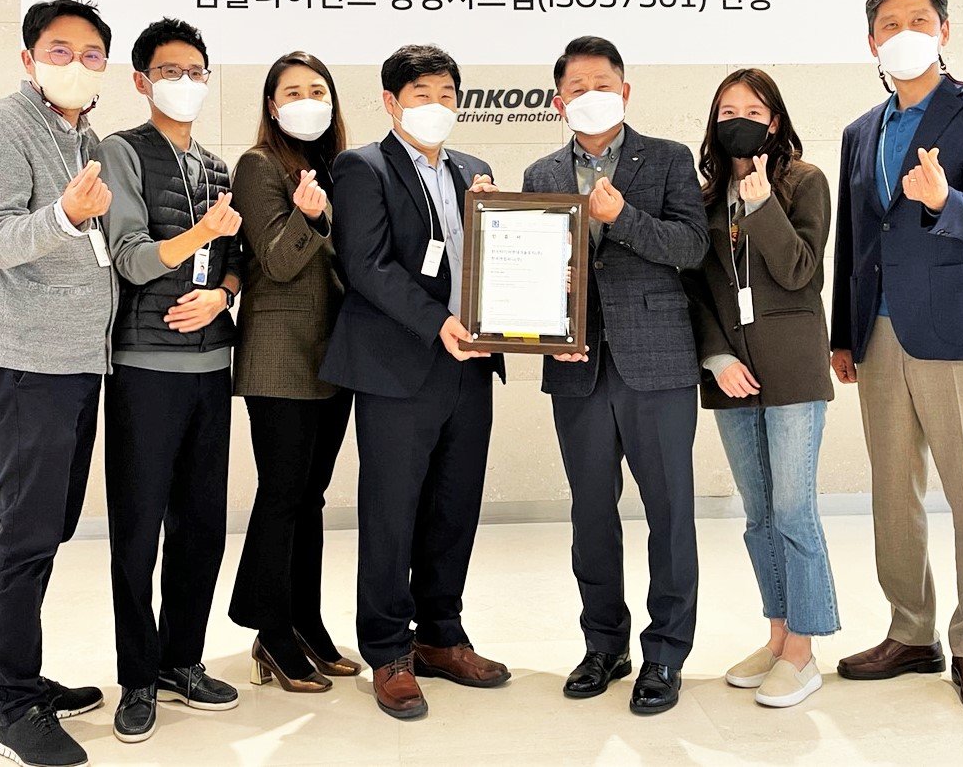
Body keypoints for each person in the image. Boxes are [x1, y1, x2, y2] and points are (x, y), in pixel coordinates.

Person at [830, 0, 963, 719]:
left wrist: (944, 200)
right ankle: (911, 632)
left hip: (959, 332)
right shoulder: (861, 131)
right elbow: (855, 240)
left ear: (944, 31)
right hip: (879, 335)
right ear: (871, 43)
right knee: (893, 491)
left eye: (919, 20)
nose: (903, 32)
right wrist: (845, 334)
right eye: (889, 24)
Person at [319, 44, 509, 720]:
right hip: (399, 367)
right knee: (391, 511)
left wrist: (500, 224)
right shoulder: (362, 167)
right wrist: (438, 323)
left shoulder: (475, 170)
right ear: (391, 102)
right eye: (421, 94)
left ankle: (441, 635)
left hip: (472, 365)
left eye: (447, 94)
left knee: (455, 506)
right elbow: (366, 264)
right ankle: (388, 649)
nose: (437, 105)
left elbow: (501, 258)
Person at [523, 36, 709, 715]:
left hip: (657, 362)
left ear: (625, 92)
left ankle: (666, 651)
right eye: (577, 87)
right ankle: (605, 643)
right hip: (576, 367)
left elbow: (691, 246)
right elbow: (531, 268)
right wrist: (549, 332)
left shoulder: (668, 158)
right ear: (558, 101)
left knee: (669, 512)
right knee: (591, 514)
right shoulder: (542, 173)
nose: (591, 95)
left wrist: (621, 218)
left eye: (603, 84)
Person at [0, 0, 114, 767]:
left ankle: (7, 684)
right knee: (24, 538)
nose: (76, 64)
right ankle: (14, 706)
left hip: (77, 365)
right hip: (25, 366)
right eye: (59, 50)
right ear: (28, 59)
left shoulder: (85, 137)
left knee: (45, 531)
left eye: (91, 54)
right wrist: (64, 214)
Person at [95, 18, 243, 743]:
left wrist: (223, 294)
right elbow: (129, 256)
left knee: (202, 526)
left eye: (195, 71)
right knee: (137, 529)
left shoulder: (217, 166)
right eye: (169, 71)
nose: (184, 82)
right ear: (141, 80)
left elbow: (236, 258)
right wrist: (201, 235)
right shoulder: (120, 151)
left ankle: (183, 659)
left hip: (212, 369)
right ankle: (137, 675)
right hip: (144, 370)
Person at [682, 69, 839, 708]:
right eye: (728, 111)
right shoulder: (702, 198)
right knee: (758, 513)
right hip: (733, 372)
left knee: (794, 509)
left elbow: (800, 271)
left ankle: (803, 649)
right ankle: (777, 636)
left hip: (794, 366)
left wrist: (761, 203)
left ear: (774, 120)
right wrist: (715, 356)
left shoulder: (804, 182)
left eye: (753, 110)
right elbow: (695, 289)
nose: (739, 120)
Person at [228, 51, 358, 693]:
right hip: (279, 355)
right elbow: (277, 263)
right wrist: (308, 216)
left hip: (335, 355)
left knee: (311, 497)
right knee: (283, 493)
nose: (307, 101)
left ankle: (305, 619)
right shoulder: (259, 165)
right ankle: (271, 630)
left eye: (318, 90)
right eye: (293, 91)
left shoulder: (341, 166)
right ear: (272, 105)